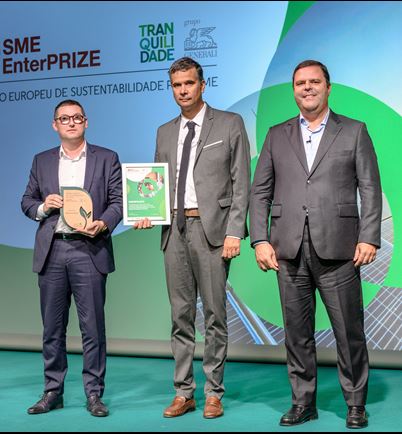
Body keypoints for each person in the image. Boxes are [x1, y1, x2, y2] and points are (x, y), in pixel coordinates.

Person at [249, 60, 382, 429]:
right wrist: (259, 239)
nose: (307, 88)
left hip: (340, 249)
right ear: (294, 90)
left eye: (314, 82)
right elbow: (259, 192)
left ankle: (355, 403)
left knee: (348, 331)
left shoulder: (354, 131)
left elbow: (370, 188)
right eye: (300, 83)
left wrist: (369, 236)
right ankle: (302, 402)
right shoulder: (276, 135)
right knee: (296, 334)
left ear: (328, 87)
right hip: (287, 250)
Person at [135, 57, 250, 418]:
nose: (182, 90)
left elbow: (241, 183)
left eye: (188, 83)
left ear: (202, 85)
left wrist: (235, 231)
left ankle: (214, 392)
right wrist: (146, 210)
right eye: (176, 85)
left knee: (214, 315)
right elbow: (155, 182)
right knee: (180, 315)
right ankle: (184, 392)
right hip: (173, 230)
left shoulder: (229, 123)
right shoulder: (164, 131)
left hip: (211, 230)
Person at [21, 99, 123, 417]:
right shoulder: (42, 161)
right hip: (53, 250)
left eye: (77, 117)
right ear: (55, 125)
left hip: (89, 249)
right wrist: (43, 206)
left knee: (93, 328)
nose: (71, 122)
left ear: (86, 122)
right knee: (52, 328)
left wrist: (102, 223)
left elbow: (118, 202)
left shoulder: (107, 158)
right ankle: (53, 391)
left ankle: (94, 394)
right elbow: (27, 201)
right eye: (64, 119)